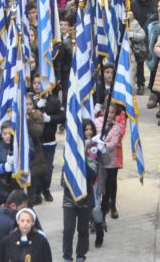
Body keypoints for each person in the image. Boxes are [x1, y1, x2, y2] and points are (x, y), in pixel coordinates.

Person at [62, 118, 101, 262]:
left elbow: (92, 174)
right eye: (85, 129)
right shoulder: (70, 150)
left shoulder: (94, 149)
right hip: (69, 197)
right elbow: (64, 177)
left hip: (85, 197)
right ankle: (67, 257)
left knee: (83, 230)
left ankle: (80, 256)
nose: (88, 132)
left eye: (91, 129)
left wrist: (82, 156)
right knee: (68, 231)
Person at [96, 103, 125, 222]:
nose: (110, 115)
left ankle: (111, 205)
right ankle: (99, 208)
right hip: (97, 159)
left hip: (112, 157)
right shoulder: (96, 121)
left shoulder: (117, 125)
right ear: (103, 111)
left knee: (111, 183)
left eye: (112, 112)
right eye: (108, 112)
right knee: (98, 183)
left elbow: (116, 140)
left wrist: (102, 145)